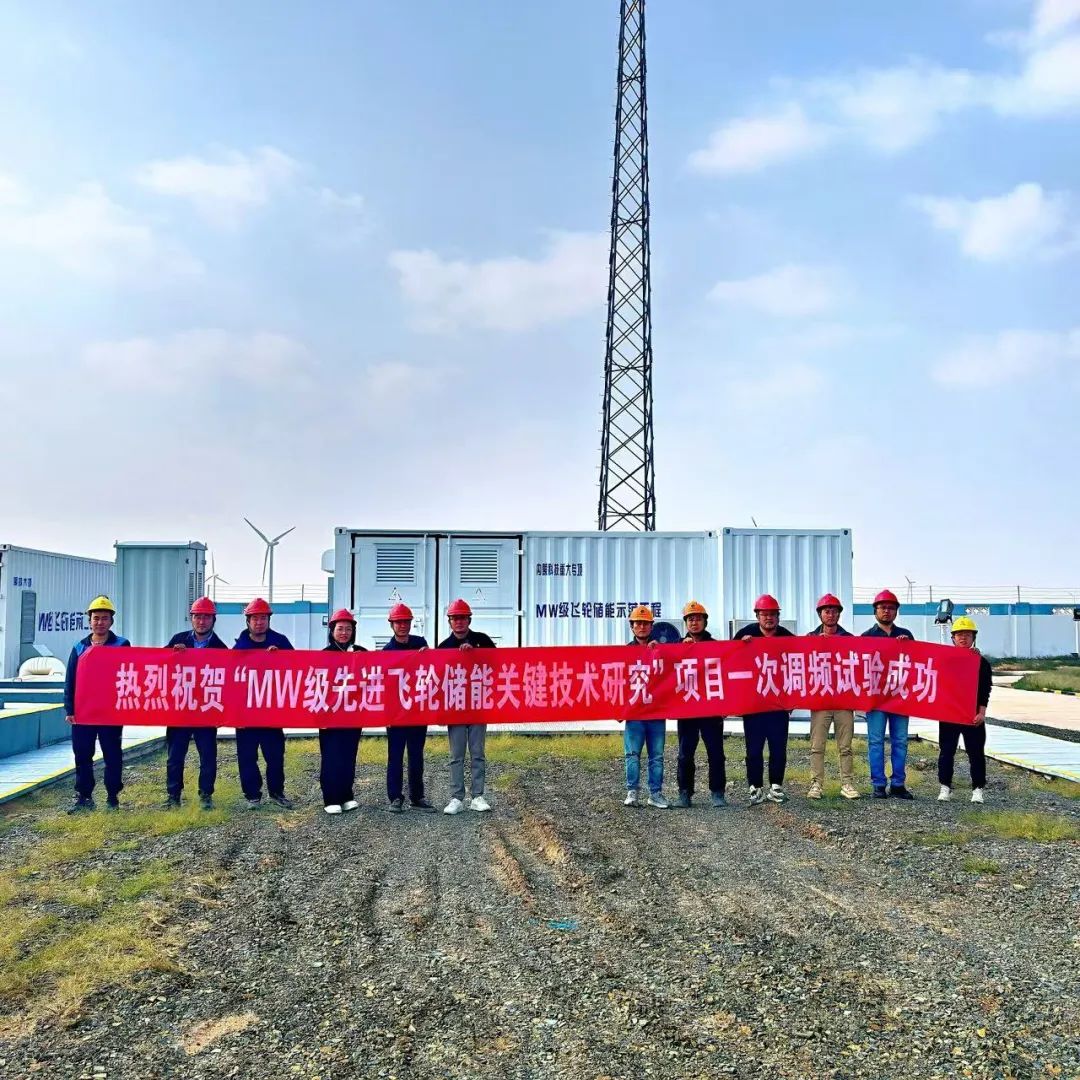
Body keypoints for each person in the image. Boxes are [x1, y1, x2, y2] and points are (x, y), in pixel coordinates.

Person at [64, 595, 131, 813]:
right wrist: (70, 709)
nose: (100, 622)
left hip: (111, 713)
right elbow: (70, 680)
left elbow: (130, 674)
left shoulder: (122, 645)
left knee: (112, 755)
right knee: (82, 755)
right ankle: (84, 797)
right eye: (96, 618)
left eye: (104, 618)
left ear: (111, 621)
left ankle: (112, 798)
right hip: (84, 713)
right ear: (89, 620)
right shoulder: (79, 647)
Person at [163, 596, 229, 810]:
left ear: (213, 620)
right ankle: (173, 795)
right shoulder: (178, 640)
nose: (201, 621)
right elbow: (158, 665)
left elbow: (227, 682)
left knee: (208, 755)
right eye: (197, 617)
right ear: (191, 618)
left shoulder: (221, 649)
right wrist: (173, 655)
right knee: (175, 756)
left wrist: (222, 713)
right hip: (181, 709)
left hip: (206, 711)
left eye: (206, 617)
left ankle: (206, 795)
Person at [233, 597, 295, 809]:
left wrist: (281, 658)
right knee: (247, 757)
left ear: (269, 620)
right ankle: (252, 795)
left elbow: (296, 668)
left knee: (275, 756)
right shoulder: (239, 647)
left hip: (272, 713)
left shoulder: (281, 642)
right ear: (248, 621)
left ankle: (277, 792)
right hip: (246, 714)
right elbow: (230, 679)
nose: (259, 622)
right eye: (255, 618)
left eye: (263, 618)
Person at [734, 595, 794, 805]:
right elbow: (730, 661)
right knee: (753, 748)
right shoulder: (744, 635)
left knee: (778, 747)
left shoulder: (788, 638)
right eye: (764, 614)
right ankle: (755, 786)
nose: (768, 618)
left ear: (778, 616)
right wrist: (740, 646)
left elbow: (798, 666)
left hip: (779, 704)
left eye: (772, 614)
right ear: (757, 616)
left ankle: (776, 785)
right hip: (754, 705)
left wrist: (793, 699)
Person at [438, 599, 495, 815]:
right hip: (456, 708)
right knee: (457, 755)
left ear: (469, 620)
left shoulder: (482, 640)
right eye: (455, 618)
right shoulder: (444, 647)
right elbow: (438, 678)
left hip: (478, 705)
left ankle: (478, 796)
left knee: (477, 752)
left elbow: (498, 664)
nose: (459, 622)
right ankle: (456, 797)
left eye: (462, 618)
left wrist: (475, 654)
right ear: (450, 622)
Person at [862, 589, 916, 800]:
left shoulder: (906, 635)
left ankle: (898, 784)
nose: (886, 611)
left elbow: (916, 664)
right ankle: (878, 784)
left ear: (896, 612)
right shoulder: (866, 637)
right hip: (876, 699)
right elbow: (859, 669)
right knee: (875, 741)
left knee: (900, 741)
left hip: (899, 697)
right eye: (882, 607)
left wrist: (907, 647)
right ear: (875, 611)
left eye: (891, 608)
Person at [806, 593, 860, 801]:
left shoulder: (850, 640)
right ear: (820, 614)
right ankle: (816, 784)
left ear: (839, 614)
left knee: (845, 746)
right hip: (820, 702)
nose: (830, 614)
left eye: (834, 611)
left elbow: (859, 667)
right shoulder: (810, 639)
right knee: (817, 746)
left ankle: (847, 783)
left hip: (844, 701)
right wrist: (815, 645)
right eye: (826, 611)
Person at [382, 602, 435, 813]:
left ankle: (417, 797)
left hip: (417, 711)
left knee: (416, 756)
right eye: (398, 622)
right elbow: (384, 686)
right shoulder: (387, 651)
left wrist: (428, 655)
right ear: (392, 625)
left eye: (406, 622)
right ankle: (395, 797)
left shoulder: (420, 643)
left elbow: (431, 671)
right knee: (395, 756)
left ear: (411, 623)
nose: (402, 625)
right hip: (396, 715)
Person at [674, 601, 726, 808]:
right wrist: (680, 650)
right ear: (686, 623)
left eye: (698, 618)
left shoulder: (716, 646)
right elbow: (663, 666)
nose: (694, 622)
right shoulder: (677, 646)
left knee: (716, 752)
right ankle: (684, 793)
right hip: (687, 709)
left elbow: (726, 674)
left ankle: (718, 792)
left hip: (711, 709)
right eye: (690, 619)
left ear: (705, 621)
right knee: (685, 753)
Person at [937, 616, 992, 804]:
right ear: (953, 638)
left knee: (976, 753)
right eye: (959, 634)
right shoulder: (944, 660)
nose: (963, 638)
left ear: (973, 638)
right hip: (949, 715)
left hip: (972, 715)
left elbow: (985, 690)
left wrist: (981, 713)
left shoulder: (981, 663)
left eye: (967, 634)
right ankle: (945, 787)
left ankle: (978, 789)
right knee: (946, 751)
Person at [319, 609, 366, 816]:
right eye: (340, 629)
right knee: (331, 755)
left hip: (353, 714)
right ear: (332, 631)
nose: (344, 633)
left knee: (349, 755)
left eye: (348, 629)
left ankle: (347, 795)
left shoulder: (361, 652)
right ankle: (331, 798)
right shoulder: (324, 655)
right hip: (330, 714)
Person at [623, 605, 669, 809]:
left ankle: (655, 794)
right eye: (638, 623)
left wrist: (660, 651)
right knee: (632, 754)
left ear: (652, 626)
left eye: (645, 623)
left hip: (656, 713)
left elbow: (676, 669)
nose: (641, 627)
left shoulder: (662, 650)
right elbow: (618, 682)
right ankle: (632, 792)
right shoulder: (625, 652)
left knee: (656, 757)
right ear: (632, 626)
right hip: (634, 713)